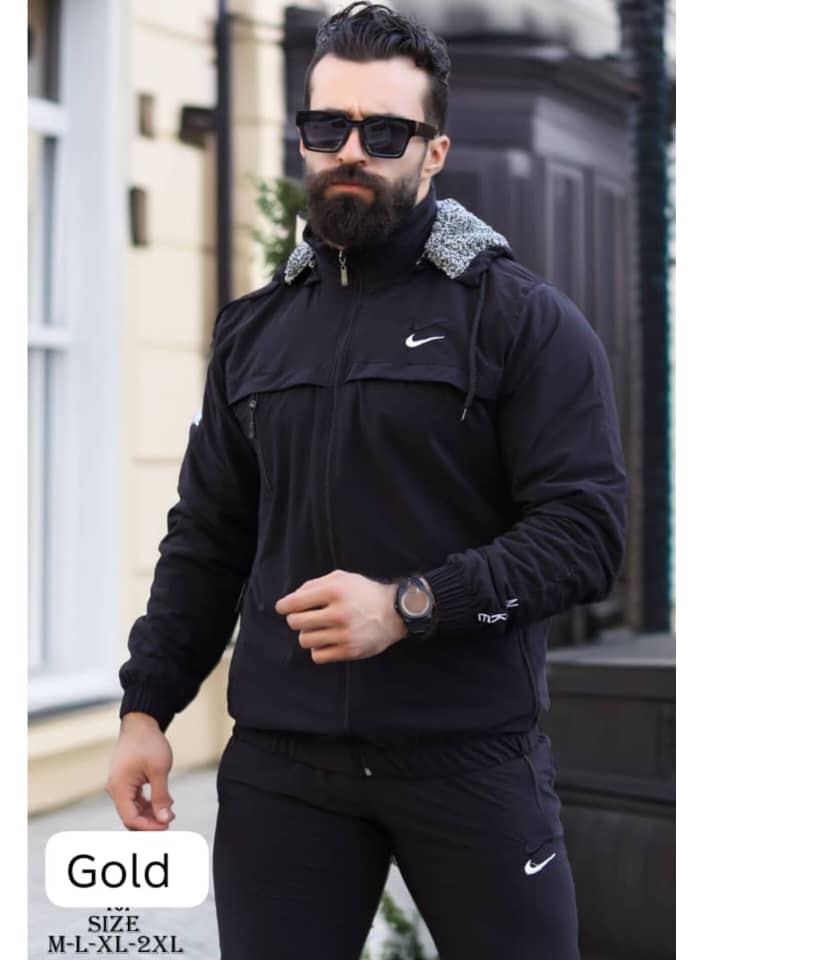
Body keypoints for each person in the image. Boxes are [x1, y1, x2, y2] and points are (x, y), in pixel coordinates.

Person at [107, 3, 626, 958]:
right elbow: (208, 538)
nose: (351, 150)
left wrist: (409, 604)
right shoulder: (255, 331)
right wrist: (148, 709)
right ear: (303, 135)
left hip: (469, 759)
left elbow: (586, 535)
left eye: (385, 131)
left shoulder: (523, 321)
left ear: (434, 152)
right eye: (328, 126)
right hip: (282, 770)